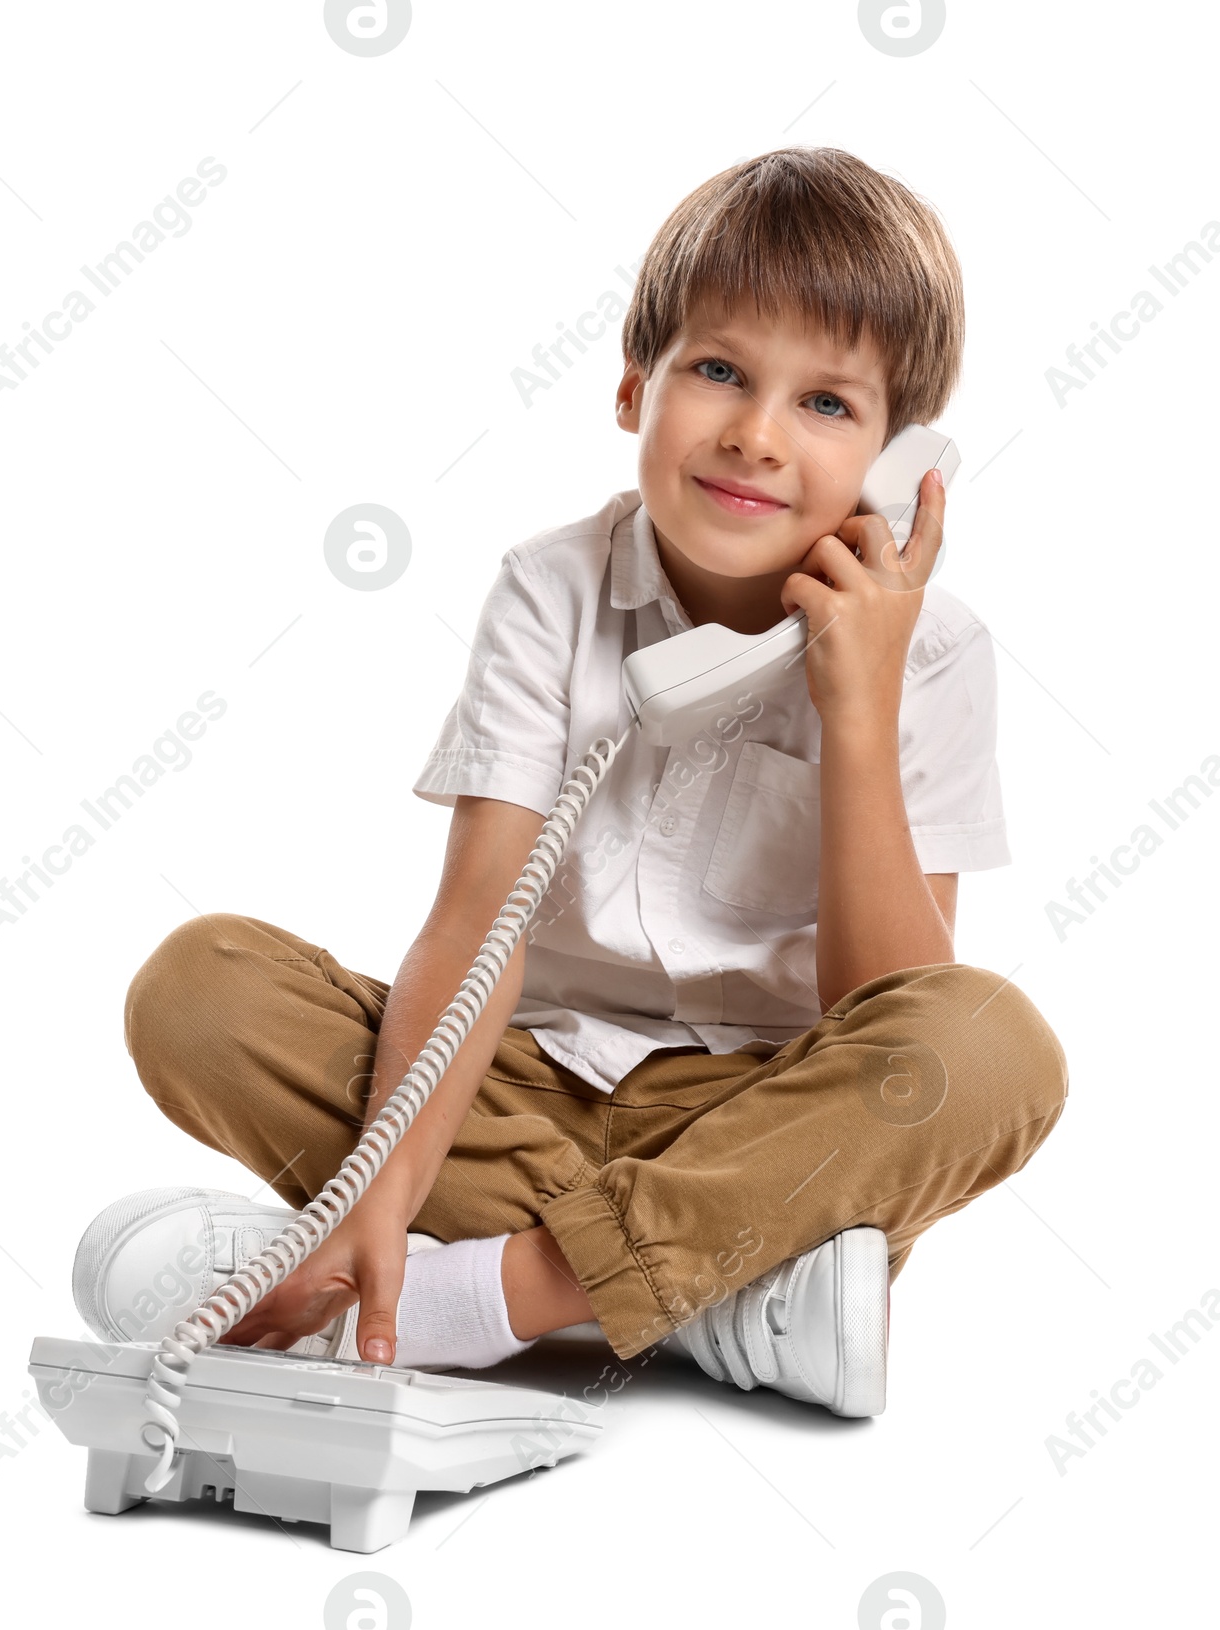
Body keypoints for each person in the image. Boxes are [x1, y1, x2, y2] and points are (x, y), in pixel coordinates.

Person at [74, 146, 1068, 1418]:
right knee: (202, 988)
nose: (755, 435)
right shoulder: (551, 588)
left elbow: (887, 1007)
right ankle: (732, 1292)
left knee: (984, 1042)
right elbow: (477, 918)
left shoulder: (932, 650)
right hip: (522, 1080)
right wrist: (382, 1181)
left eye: (826, 404)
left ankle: (473, 1296)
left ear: (900, 462)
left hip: (757, 1106)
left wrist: (857, 707)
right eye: (718, 370)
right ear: (631, 386)